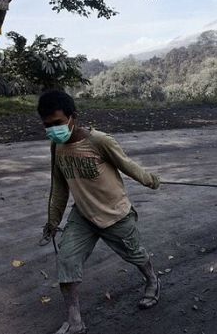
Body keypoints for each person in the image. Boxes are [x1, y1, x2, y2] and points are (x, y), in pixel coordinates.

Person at [37, 90, 161, 334]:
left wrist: (150, 180)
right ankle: (75, 322)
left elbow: (127, 164)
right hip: (83, 215)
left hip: (115, 214)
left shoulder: (99, 141)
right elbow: (59, 187)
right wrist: (53, 221)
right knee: (67, 261)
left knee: (135, 255)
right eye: (47, 125)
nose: (53, 130)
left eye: (58, 123)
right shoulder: (56, 147)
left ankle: (153, 280)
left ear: (74, 117)